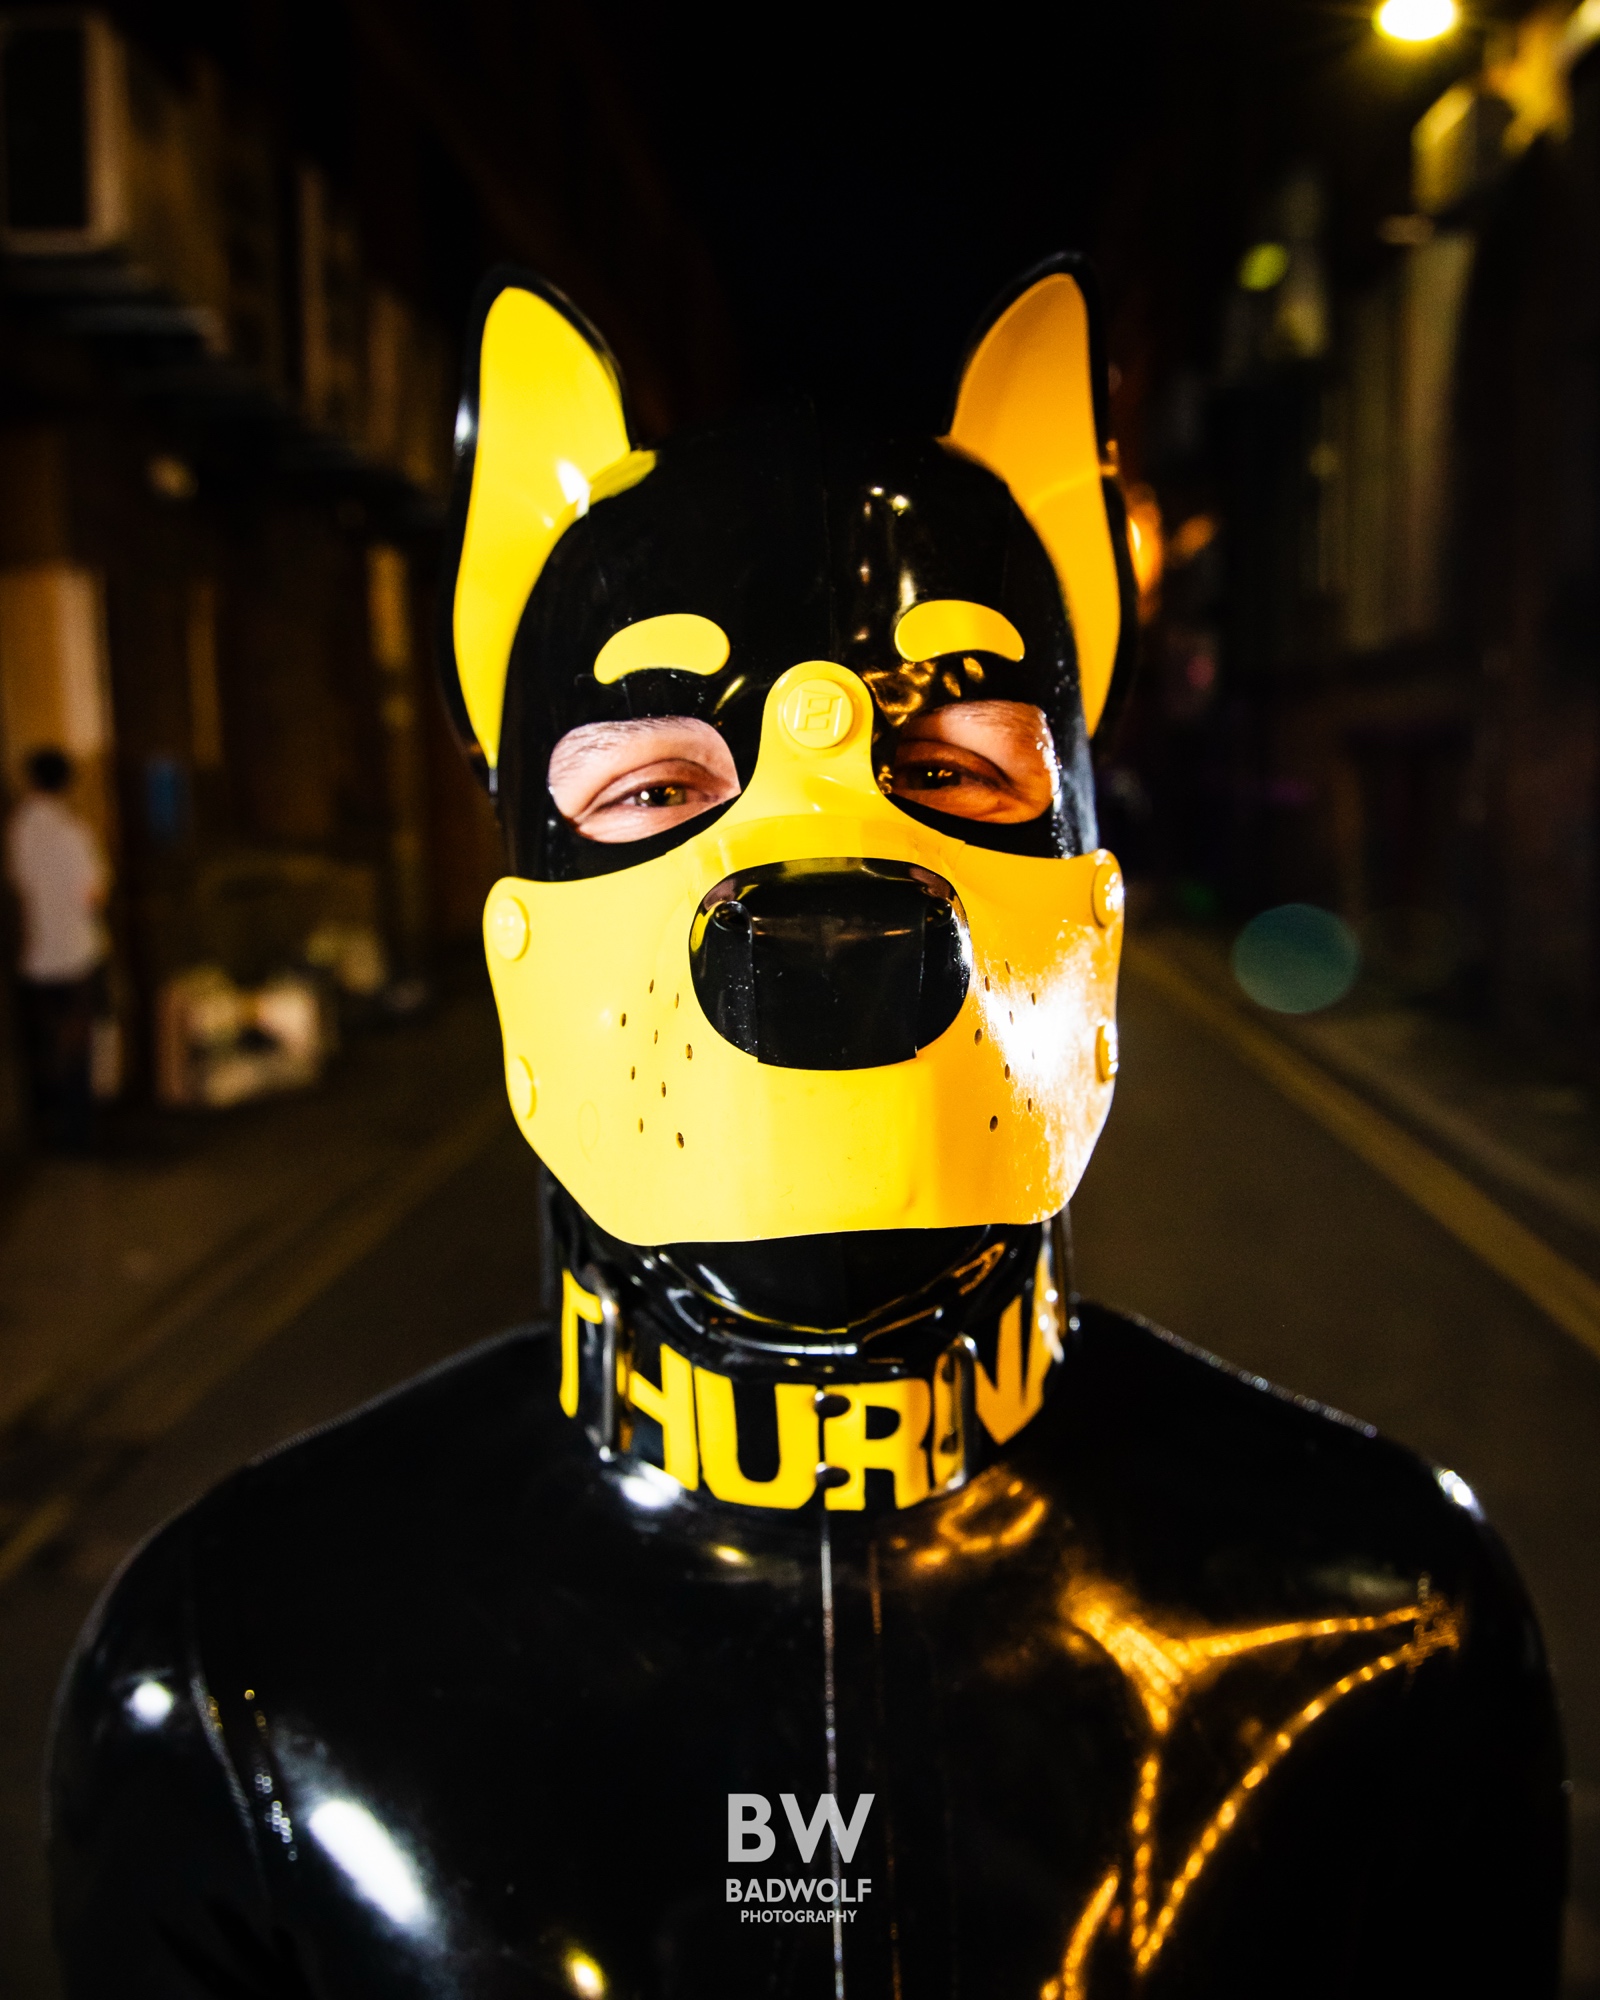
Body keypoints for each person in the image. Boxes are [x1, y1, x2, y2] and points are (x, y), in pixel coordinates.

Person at [47, 262, 1565, 1997]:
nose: (825, 902)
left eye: (960, 768)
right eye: (653, 785)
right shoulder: (237, 1680)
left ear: (1092, 896)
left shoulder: (1385, 1638)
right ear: (518, 915)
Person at [7, 746, 106, 1152]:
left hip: (34, 953)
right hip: (75, 951)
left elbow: (19, 885)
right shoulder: (74, 833)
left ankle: (47, 1124)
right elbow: (93, 893)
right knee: (77, 1043)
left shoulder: (18, 831)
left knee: (44, 1041)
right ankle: (77, 1131)